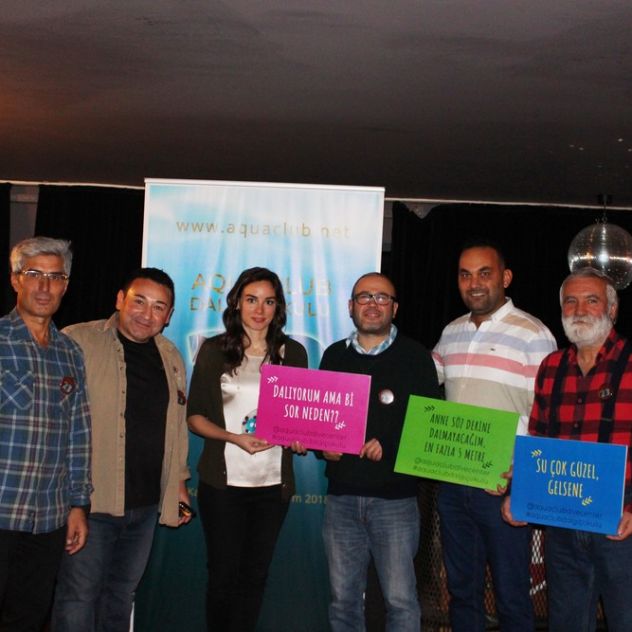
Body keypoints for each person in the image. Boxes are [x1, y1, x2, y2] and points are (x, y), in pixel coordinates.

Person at [52, 267, 191, 632]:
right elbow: (53, 420)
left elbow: (176, 425)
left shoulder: (171, 356)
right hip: (89, 503)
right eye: (139, 301)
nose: (147, 314)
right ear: (119, 300)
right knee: (78, 599)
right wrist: (67, 500)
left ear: (169, 316)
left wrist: (178, 484)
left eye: (158, 307)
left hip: (144, 507)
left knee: (120, 598)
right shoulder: (77, 341)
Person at [432, 241, 556, 632]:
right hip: (453, 483)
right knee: (462, 593)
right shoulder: (451, 332)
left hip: (503, 486)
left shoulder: (534, 334)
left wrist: (522, 479)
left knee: (512, 596)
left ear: (506, 277)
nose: (474, 283)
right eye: (465, 275)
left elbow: (547, 416)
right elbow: (423, 383)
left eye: (484, 273)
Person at [503, 267, 632, 632]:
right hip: (562, 517)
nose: (579, 310)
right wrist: (521, 494)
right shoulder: (552, 366)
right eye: (570, 302)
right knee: (566, 622)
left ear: (612, 309)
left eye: (591, 300)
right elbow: (539, 440)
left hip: (623, 518)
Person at [187, 267, 308, 632]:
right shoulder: (214, 351)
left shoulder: (293, 353)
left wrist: (299, 437)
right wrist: (234, 437)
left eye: (268, 302)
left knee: (255, 576)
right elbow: (195, 417)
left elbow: (299, 417)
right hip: (223, 485)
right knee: (223, 576)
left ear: (278, 307)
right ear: (237, 302)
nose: (259, 310)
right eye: (252, 300)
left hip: (272, 487)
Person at [319, 272, 440, 632]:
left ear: (395, 308)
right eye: (364, 297)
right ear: (350, 306)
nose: (373, 304)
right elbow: (321, 421)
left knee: (401, 602)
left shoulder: (417, 357)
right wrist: (323, 448)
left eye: (382, 297)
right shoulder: (333, 356)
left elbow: (428, 427)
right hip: (342, 499)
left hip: (395, 502)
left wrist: (391, 447)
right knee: (343, 601)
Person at [0, 237, 92, 630]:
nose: (44, 286)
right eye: (34, 274)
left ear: (65, 286)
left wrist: (78, 504)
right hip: (2, 509)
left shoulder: (71, 352)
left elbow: (79, 434)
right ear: (15, 280)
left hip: (49, 518)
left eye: (55, 277)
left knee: (28, 618)